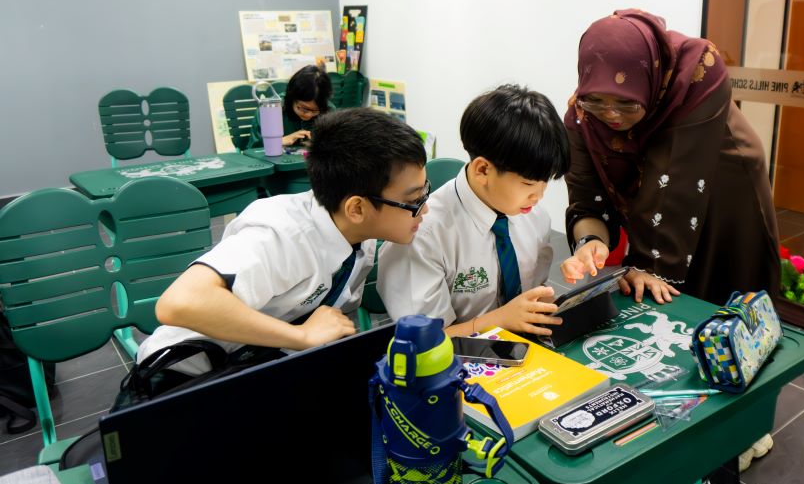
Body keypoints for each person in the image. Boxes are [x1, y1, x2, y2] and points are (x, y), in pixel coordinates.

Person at [559, 9, 780, 484]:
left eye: (625, 105)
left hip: (724, 192)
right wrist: (589, 242)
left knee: (728, 308)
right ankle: (684, 433)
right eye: (597, 101)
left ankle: (742, 429)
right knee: (671, 325)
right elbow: (585, 197)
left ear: (651, 87)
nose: (609, 116)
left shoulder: (698, 73)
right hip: (656, 209)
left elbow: (676, 182)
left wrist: (647, 266)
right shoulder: (580, 116)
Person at [136, 108, 429, 376]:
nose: (424, 210)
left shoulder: (358, 235)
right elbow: (179, 303)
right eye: (414, 201)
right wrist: (302, 337)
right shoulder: (280, 234)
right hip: (185, 374)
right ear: (357, 208)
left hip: (259, 364)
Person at [377, 84, 571, 338]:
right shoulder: (421, 236)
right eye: (528, 184)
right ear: (482, 170)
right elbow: (424, 340)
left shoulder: (534, 216)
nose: (539, 195)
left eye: (545, 182)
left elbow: (532, 295)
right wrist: (500, 320)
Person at [249, 64, 334, 148]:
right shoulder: (269, 110)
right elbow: (253, 150)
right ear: (292, 97)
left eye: (315, 111)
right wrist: (279, 142)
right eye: (304, 109)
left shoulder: (329, 111)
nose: (309, 115)